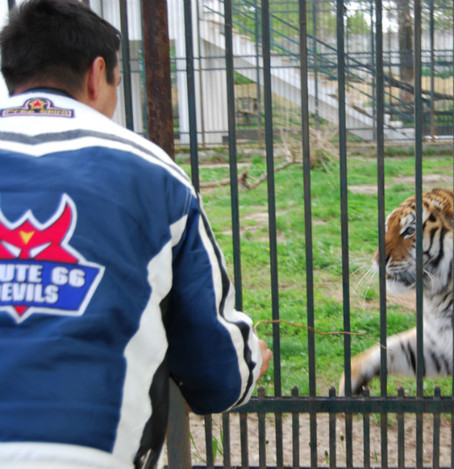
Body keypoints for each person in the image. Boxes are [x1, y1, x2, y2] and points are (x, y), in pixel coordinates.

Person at [0, 0, 272, 468]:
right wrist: (249, 364)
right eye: (117, 85)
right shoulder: (153, 173)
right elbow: (215, 373)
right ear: (96, 73)